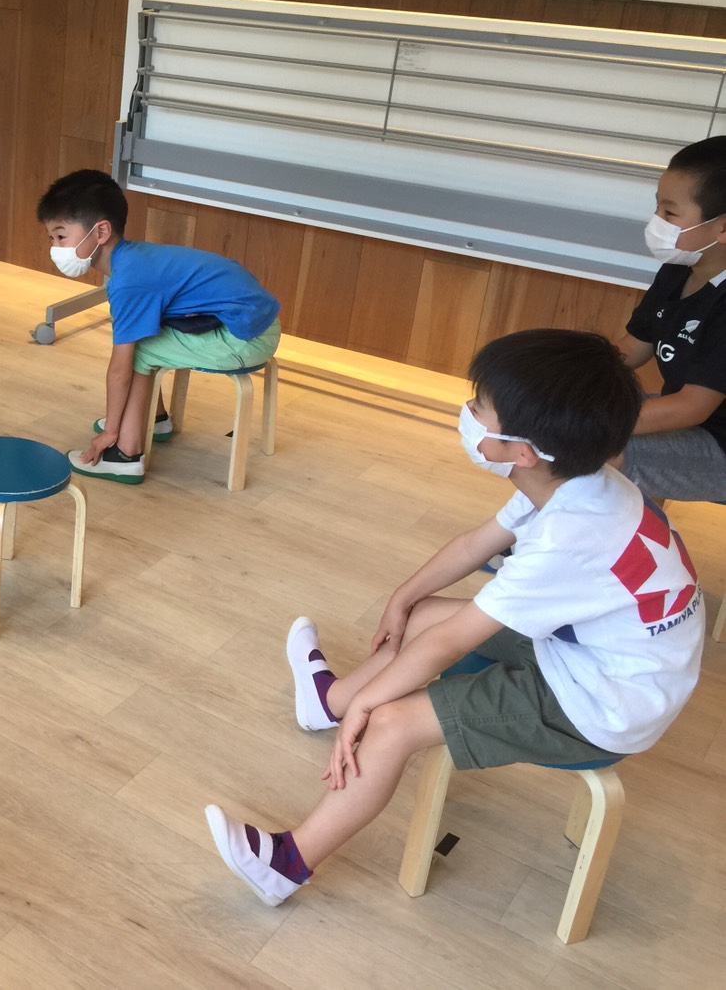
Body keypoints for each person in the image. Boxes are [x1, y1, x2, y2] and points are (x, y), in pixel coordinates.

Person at [204, 329, 704, 907]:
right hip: (606, 657)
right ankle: (329, 703)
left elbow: (449, 644)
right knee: (421, 618)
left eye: (479, 407)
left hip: (602, 703)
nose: (467, 412)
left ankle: (287, 864)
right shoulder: (578, 483)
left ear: (522, 451)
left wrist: (373, 706)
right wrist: (404, 596)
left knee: (392, 724)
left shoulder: (568, 539)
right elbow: (475, 544)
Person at [36, 169, 281, 484]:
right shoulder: (133, 259)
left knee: (140, 352)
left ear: (101, 232)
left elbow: (120, 371)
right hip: (254, 321)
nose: (55, 248)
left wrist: (110, 430)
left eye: (61, 236)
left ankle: (125, 455)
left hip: (247, 338)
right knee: (145, 338)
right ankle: (156, 419)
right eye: (52, 238)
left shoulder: (128, 282)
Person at [615, 136, 726, 501]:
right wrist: (569, 381)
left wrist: (593, 421)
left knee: (590, 447)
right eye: (657, 207)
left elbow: (691, 407)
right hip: (693, 422)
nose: (656, 221)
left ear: (722, 229)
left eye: (670, 213)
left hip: (716, 442)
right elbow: (633, 347)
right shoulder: (679, 268)